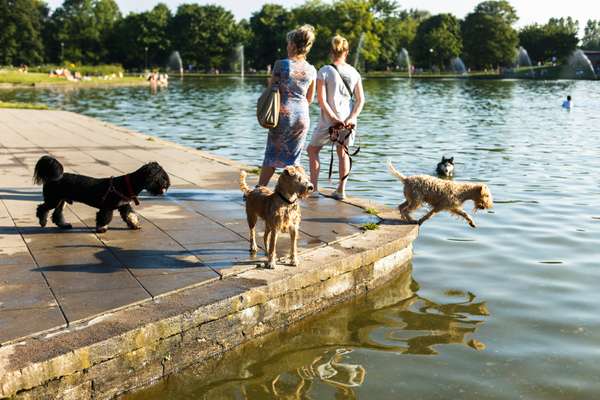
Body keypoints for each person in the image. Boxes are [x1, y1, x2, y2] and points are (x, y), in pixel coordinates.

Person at [306, 35, 365, 200]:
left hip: (329, 121)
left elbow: (322, 100)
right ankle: (341, 190)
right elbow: (361, 100)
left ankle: (315, 189)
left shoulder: (324, 71)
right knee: (343, 152)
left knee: (312, 150)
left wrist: (332, 118)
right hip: (348, 121)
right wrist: (352, 117)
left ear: (331, 52)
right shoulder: (354, 72)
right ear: (346, 52)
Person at [258, 25, 317, 186]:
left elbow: (273, 89)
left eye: (287, 43)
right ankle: (303, 188)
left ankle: (259, 190)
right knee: (294, 158)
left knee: (271, 155)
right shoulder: (312, 70)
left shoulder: (281, 65)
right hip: (302, 116)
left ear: (292, 44)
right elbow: (309, 98)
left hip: (282, 114)